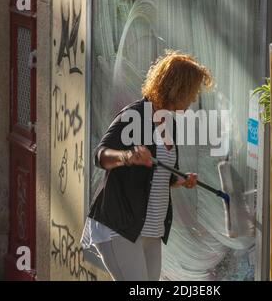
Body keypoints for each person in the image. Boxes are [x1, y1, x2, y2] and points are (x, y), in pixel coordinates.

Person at [81, 50, 213, 281]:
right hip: (121, 227)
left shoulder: (167, 122)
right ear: (177, 87)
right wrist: (127, 157)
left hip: (151, 229)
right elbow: (100, 156)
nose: (194, 98)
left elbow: (157, 173)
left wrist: (180, 180)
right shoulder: (135, 116)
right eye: (192, 92)